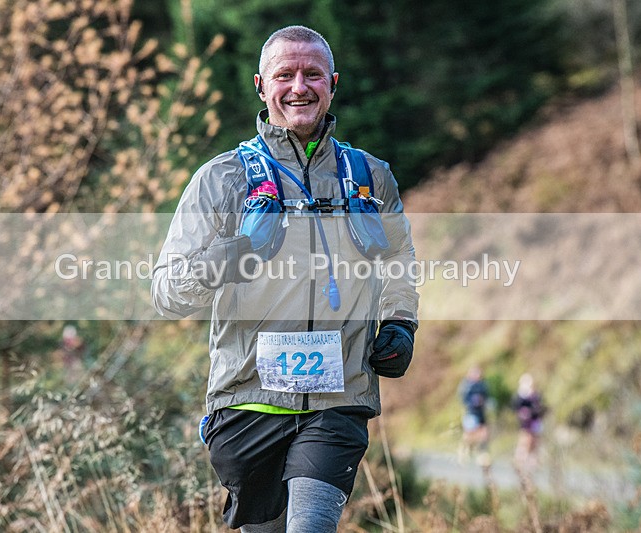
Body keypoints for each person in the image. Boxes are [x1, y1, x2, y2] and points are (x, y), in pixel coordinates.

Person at [151, 25, 418, 533]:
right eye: (285, 75)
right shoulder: (221, 178)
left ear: (332, 83)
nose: (299, 86)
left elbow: (400, 258)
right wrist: (239, 249)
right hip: (246, 398)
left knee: (310, 525)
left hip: (338, 400)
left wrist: (401, 322)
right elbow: (168, 293)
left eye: (312, 74)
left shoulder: (369, 176)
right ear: (260, 85)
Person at [511, 373, 546, 470]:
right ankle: (519, 461)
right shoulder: (521, 396)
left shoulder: (536, 396)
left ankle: (532, 462)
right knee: (525, 440)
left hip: (535, 422)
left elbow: (540, 409)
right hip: (526, 423)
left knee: (535, 441)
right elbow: (516, 408)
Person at [457, 366, 491, 466]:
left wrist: (484, 403)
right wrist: (473, 402)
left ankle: (482, 455)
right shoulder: (467, 385)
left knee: (484, 434)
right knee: (470, 435)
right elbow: (463, 399)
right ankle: (464, 450)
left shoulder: (483, 385)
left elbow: (487, 398)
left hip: (481, 413)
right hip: (471, 413)